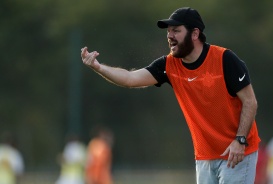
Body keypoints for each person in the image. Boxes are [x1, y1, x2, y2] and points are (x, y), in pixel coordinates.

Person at [81, 7, 260, 184]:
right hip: (205, 156)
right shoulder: (168, 66)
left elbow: (250, 101)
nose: (170, 36)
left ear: (195, 33)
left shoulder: (224, 59)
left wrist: (240, 140)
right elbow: (129, 78)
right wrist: (99, 67)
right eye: (168, 31)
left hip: (237, 152)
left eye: (176, 31)